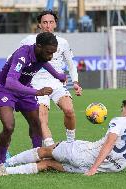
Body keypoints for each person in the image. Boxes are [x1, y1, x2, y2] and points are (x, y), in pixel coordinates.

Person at [0, 32, 67, 176]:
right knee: (8, 126)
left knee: (36, 124)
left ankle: (37, 157)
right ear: (38, 46)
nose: (50, 56)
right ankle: (0, 164)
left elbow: (44, 63)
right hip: (5, 89)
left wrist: (58, 75)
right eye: (48, 52)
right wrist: (37, 92)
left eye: (53, 53)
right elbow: (10, 82)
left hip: (24, 90)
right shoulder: (22, 55)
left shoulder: (41, 55)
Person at [19, 10, 82, 147]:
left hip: (56, 83)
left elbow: (71, 64)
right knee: (42, 117)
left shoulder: (63, 42)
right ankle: (50, 148)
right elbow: (13, 58)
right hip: (36, 85)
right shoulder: (29, 40)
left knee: (69, 111)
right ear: (39, 25)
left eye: (51, 22)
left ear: (55, 24)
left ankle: (71, 144)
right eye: (45, 22)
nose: (48, 25)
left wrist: (75, 82)